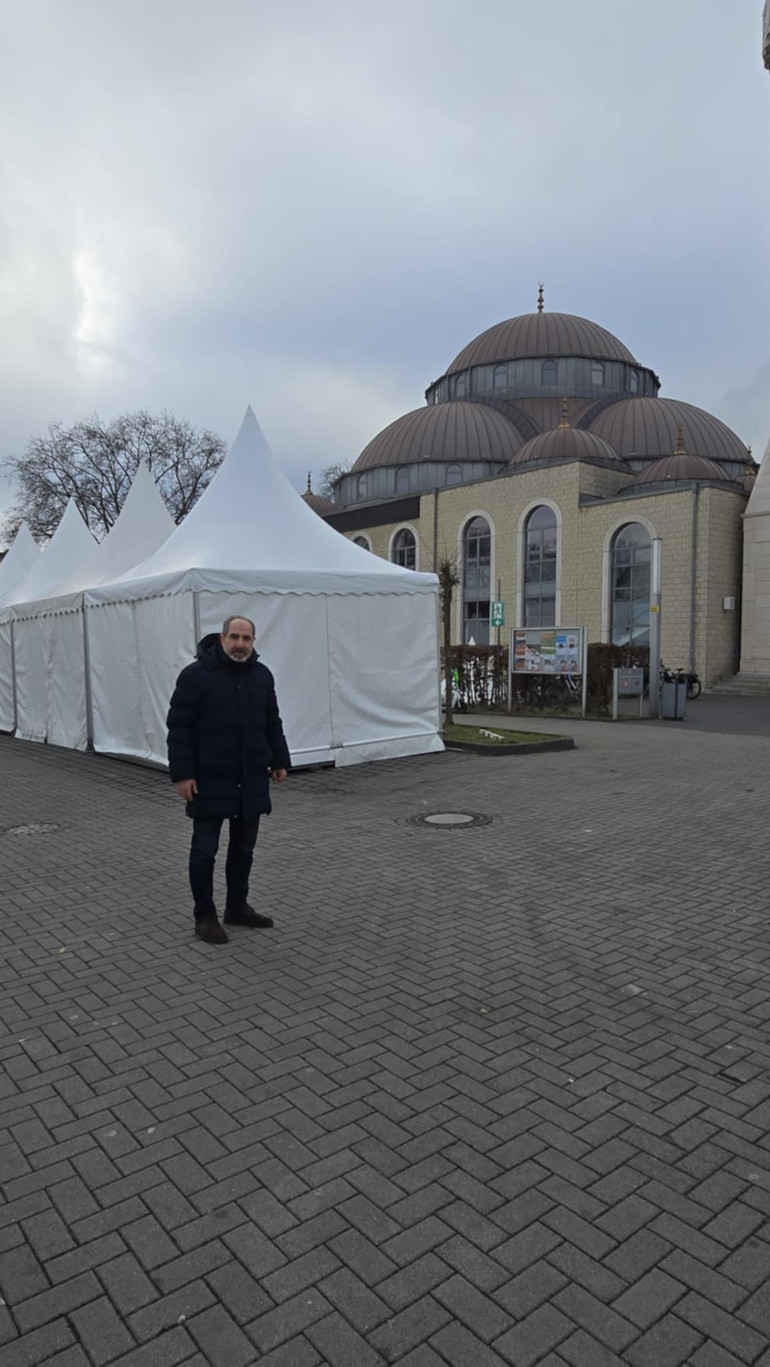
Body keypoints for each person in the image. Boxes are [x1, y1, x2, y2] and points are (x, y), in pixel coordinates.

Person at [167, 615, 290, 944]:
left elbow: (271, 721)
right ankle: (204, 915)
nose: (240, 644)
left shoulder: (262, 676)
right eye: (234, 637)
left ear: (253, 642)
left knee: (243, 849)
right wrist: (183, 774)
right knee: (204, 852)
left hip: (250, 779)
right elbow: (179, 728)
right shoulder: (195, 676)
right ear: (221, 639)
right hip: (208, 781)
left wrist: (280, 759)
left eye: (246, 638)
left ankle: (237, 907)